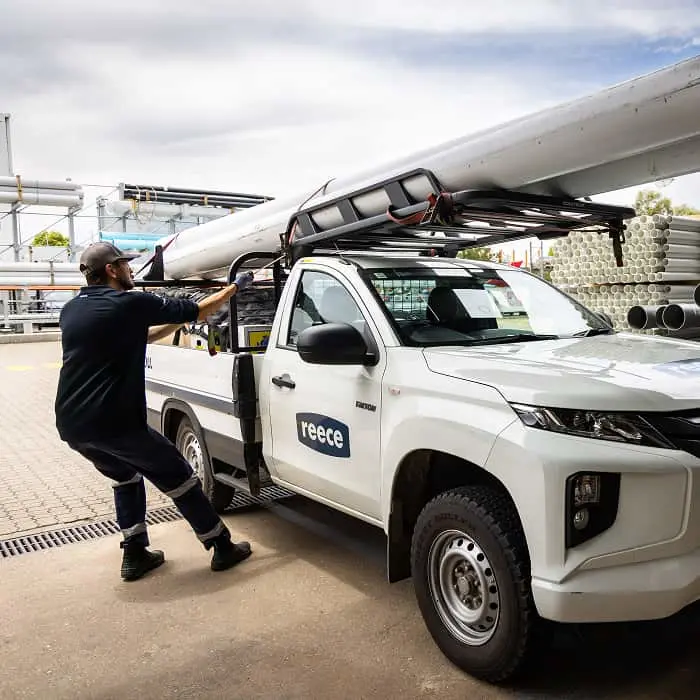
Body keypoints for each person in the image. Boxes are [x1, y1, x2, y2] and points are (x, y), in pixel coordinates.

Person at [54, 242, 255, 582]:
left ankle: (135, 554)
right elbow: (200, 310)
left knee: (125, 476)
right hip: (116, 422)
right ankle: (221, 546)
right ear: (111, 270)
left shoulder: (72, 309)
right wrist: (235, 288)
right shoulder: (130, 302)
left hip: (73, 424)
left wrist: (177, 327)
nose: (131, 270)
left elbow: (141, 337)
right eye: (126, 265)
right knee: (180, 477)